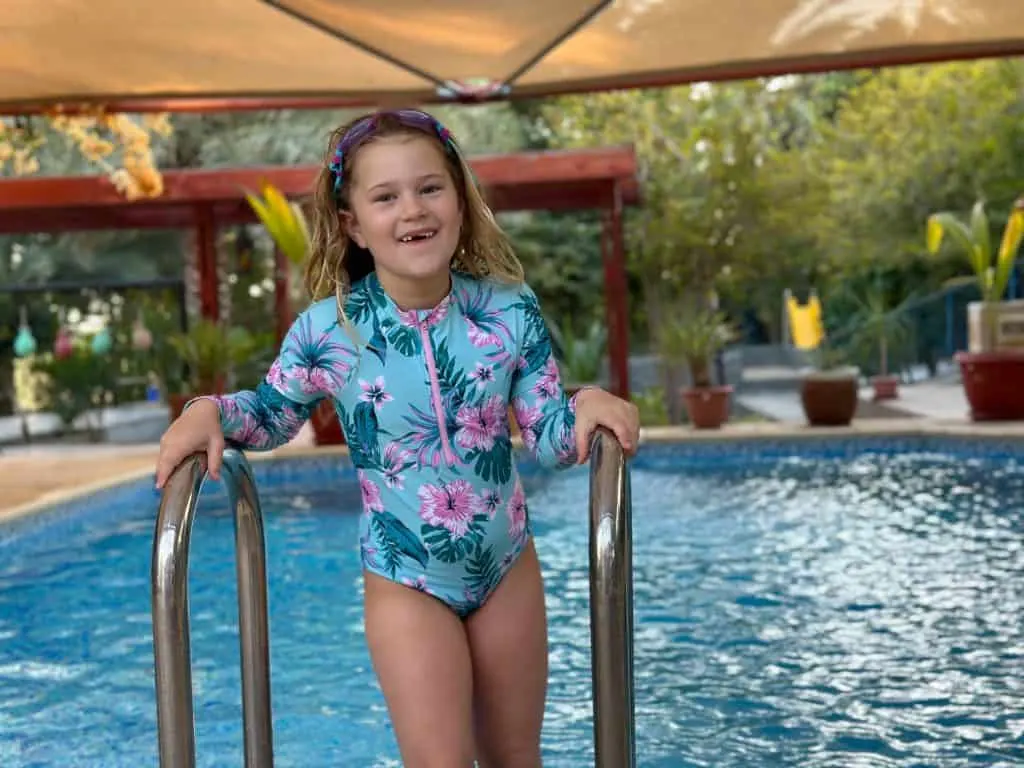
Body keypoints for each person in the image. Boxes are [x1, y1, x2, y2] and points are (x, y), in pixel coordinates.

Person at [155, 108, 640, 767]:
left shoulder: (508, 309)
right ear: (353, 223)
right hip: (405, 578)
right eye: (386, 196)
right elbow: (271, 416)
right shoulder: (330, 331)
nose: (413, 209)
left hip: (507, 567)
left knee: (514, 759)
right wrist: (207, 411)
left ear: (460, 201)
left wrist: (587, 405)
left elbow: (549, 434)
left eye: (430, 188)